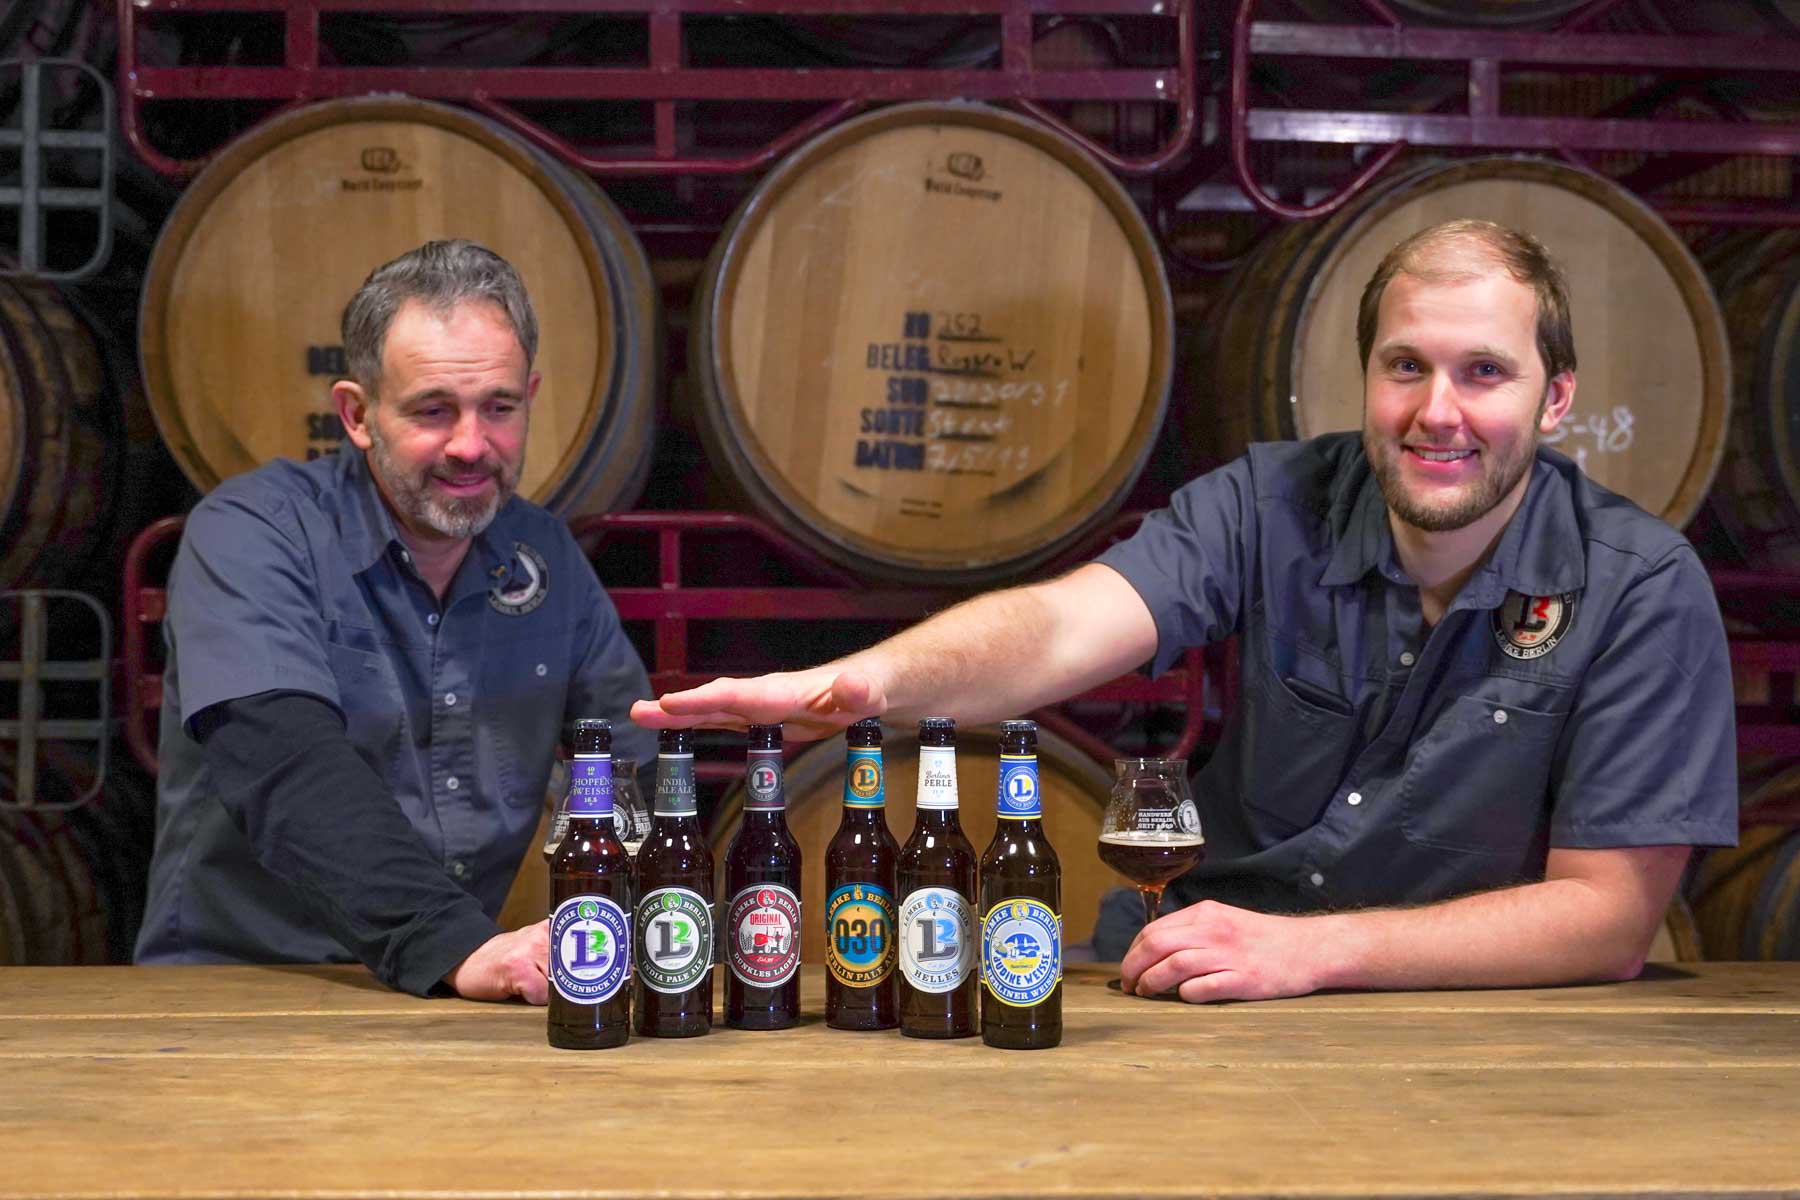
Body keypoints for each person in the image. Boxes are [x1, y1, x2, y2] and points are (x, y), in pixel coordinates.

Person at [632, 219, 1739, 1003]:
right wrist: (871, 685)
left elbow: (1607, 920)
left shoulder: (1639, 587)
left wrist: (1313, 953)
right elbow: (1066, 625)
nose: (1436, 411)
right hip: (1190, 977)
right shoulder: (1273, 501)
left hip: (1449, 1020)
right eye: (1406, 366)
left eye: (1484, 373)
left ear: (1555, 399)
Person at [136, 240, 656, 1001]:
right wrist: (455, 945)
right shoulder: (252, 532)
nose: (471, 445)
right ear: (357, 414)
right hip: (243, 989)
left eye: (500, 408)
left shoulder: (543, 555)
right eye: (433, 411)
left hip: (445, 995)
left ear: (531, 396)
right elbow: (286, 765)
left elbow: (632, 766)